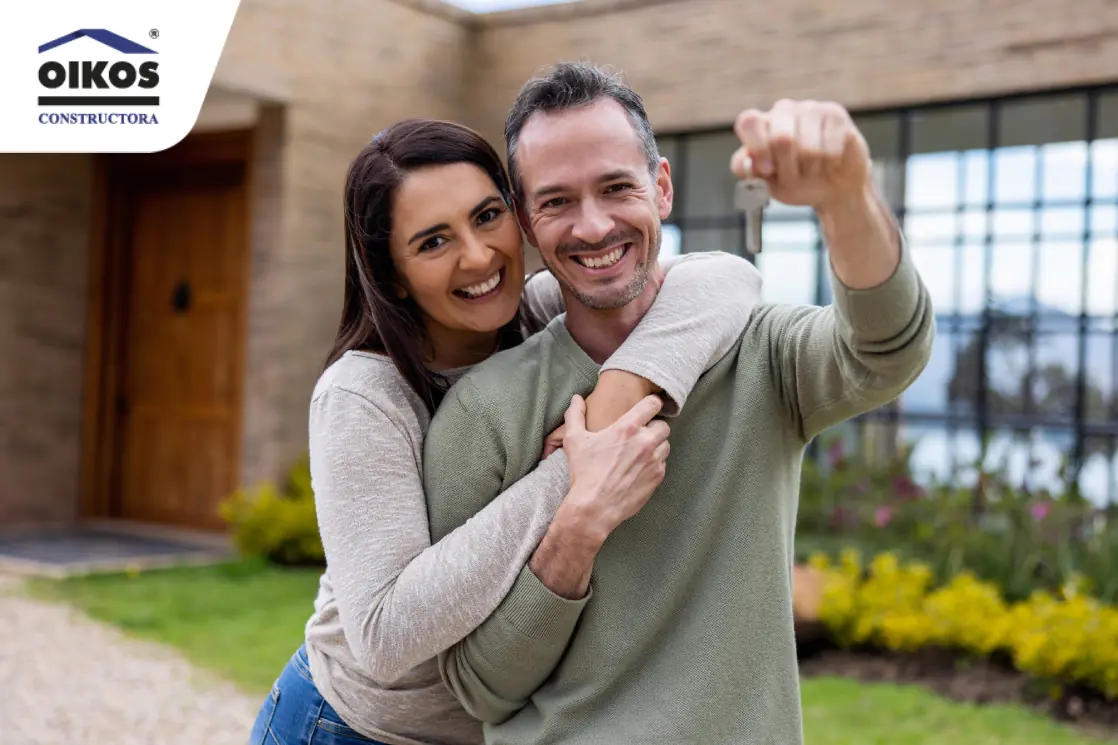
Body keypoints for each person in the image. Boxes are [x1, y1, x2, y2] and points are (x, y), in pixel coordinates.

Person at [421, 63, 935, 744]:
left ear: (660, 187)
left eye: (616, 187)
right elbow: (482, 687)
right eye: (557, 201)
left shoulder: (762, 353)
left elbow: (887, 350)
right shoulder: (481, 414)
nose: (594, 225)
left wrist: (845, 199)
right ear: (524, 220)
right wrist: (577, 528)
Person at [248, 117, 764, 745]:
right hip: (353, 729)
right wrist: (573, 473)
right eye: (433, 242)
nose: (477, 256)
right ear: (391, 273)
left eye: (487, 216)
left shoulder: (538, 313)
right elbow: (384, 636)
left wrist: (614, 398)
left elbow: (724, 279)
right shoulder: (362, 394)